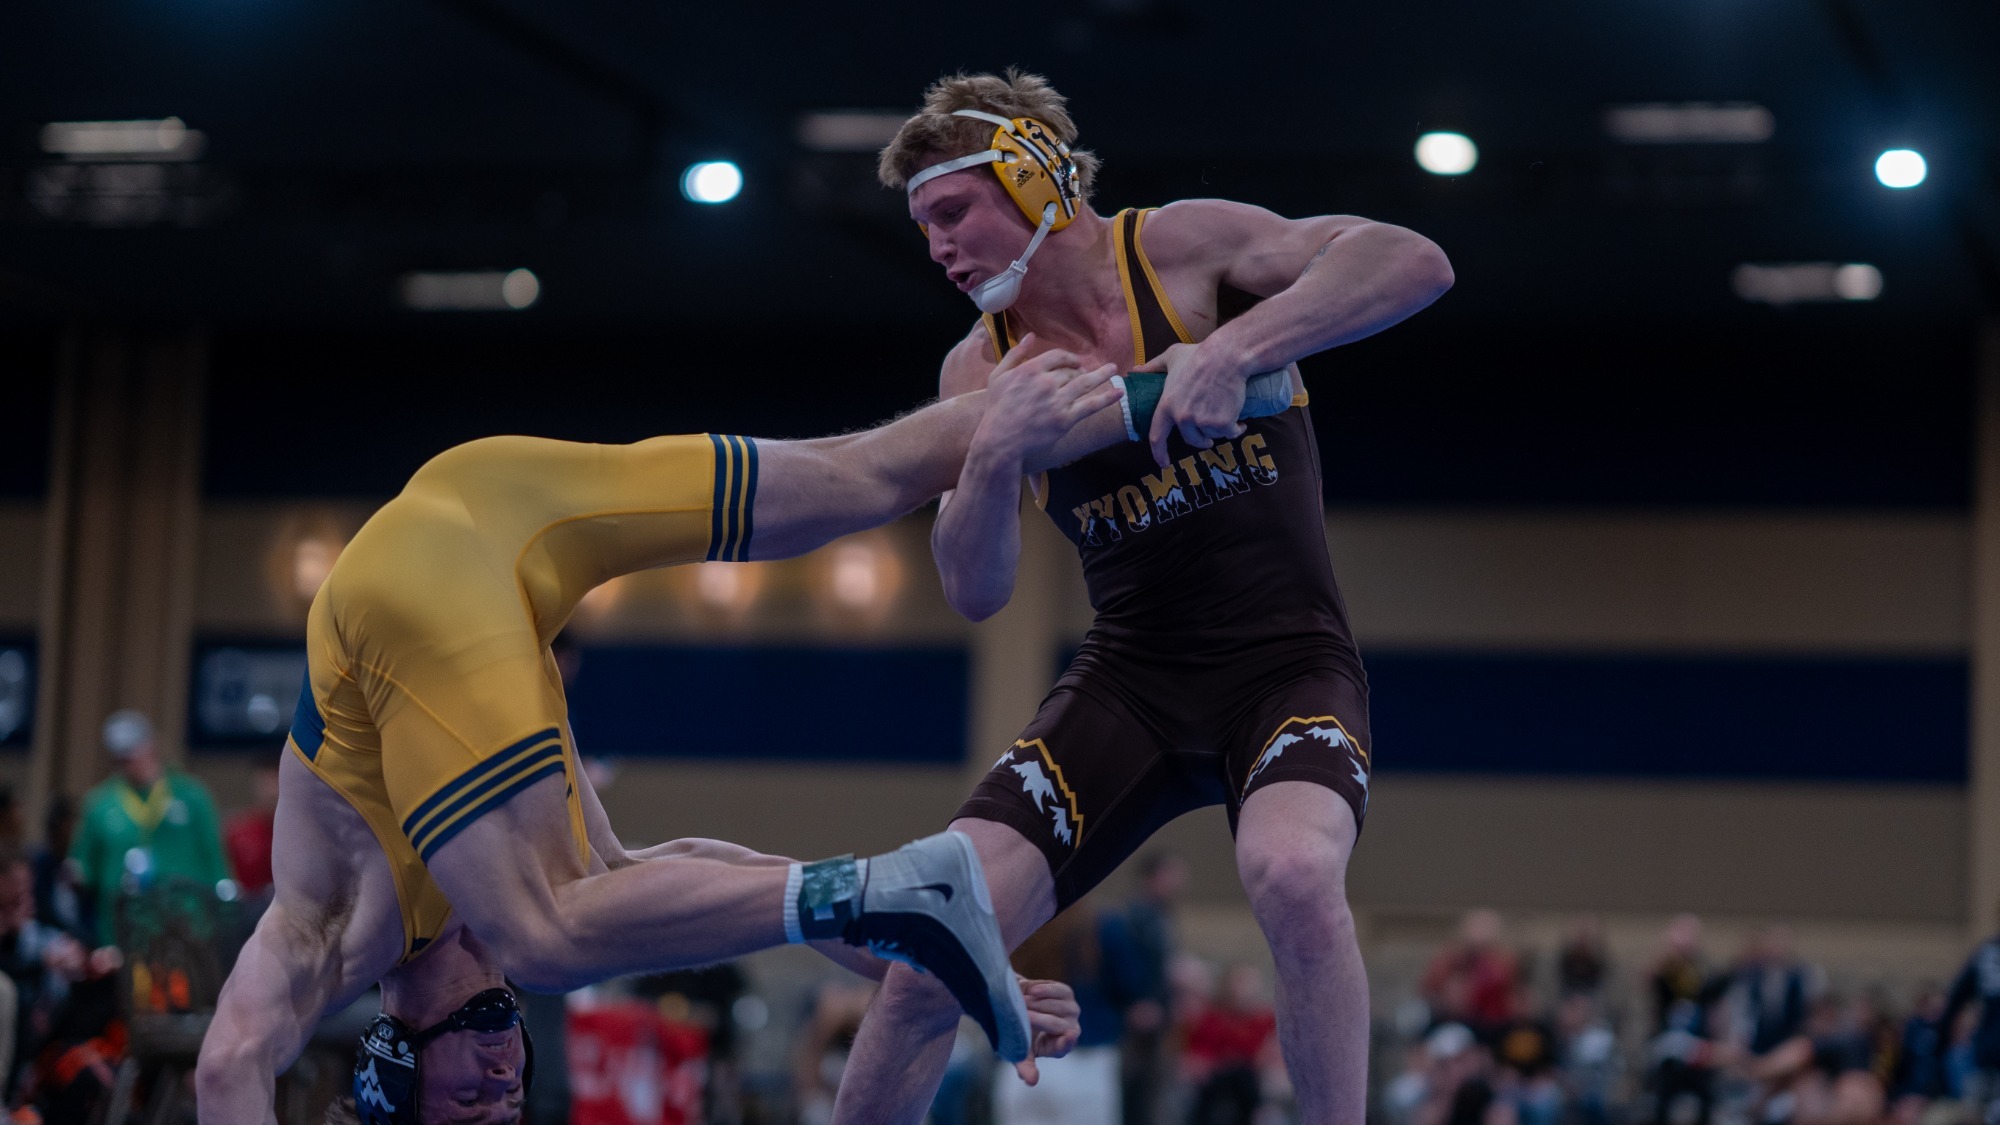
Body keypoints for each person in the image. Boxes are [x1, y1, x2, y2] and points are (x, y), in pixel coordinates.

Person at [194, 349, 1174, 1123]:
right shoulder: (507, 850)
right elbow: (670, 867)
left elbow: (227, 1065)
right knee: (869, 475)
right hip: (491, 498)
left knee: (545, 941)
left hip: (401, 588)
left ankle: (900, 892)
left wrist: (892, 898)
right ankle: (1177, 389)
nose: (500, 1077)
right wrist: (934, 962)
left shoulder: (338, 933)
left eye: (465, 1105)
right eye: (507, 1098)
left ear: (390, 1065)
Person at [834, 68, 1453, 1125]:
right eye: (923, 225)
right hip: (1130, 686)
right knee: (929, 945)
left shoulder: (1178, 249)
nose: (937, 247)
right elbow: (974, 592)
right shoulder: (978, 371)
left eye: (953, 212)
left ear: (1031, 178)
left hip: (1285, 663)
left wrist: (1235, 348)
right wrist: (993, 458)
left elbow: (1414, 262)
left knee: (1294, 877)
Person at [69, 709, 233, 947]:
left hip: (188, 928)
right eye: (121, 757)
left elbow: (216, 860)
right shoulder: (99, 805)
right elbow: (83, 868)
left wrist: (225, 913)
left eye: (134, 751)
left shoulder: (192, 797)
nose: (130, 762)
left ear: (151, 745)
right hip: (122, 931)